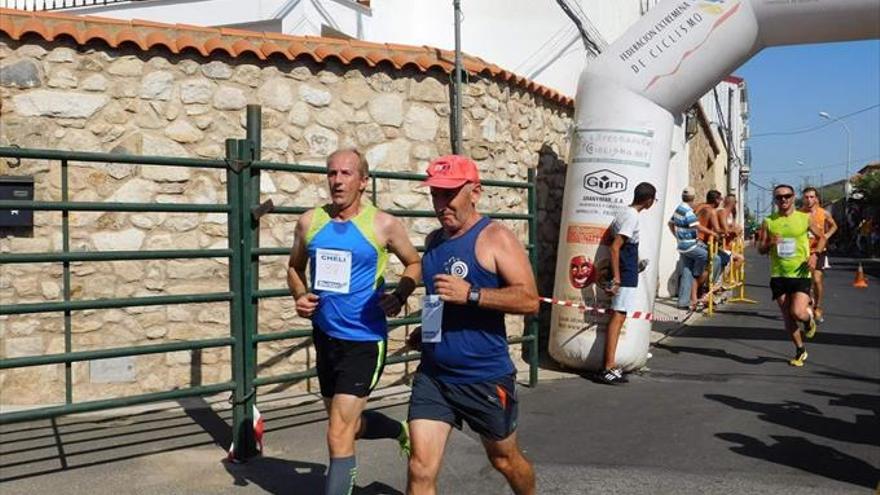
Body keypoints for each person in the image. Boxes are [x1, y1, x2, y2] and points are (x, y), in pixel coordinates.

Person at [287, 148, 422, 495]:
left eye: (346, 174)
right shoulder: (310, 222)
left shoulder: (383, 224)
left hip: (364, 340)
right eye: (332, 173)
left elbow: (414, 264)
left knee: (336, 433)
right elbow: (294, 267)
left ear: (363, 182)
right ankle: (397, 430)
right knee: (348, 425)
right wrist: (300, 295)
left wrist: (400, 295)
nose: (337, 181)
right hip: (326, 336)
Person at [405, 155, 538, 495]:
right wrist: (428, 331)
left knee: (504, 459)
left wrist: (473, 295)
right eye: (435, 194)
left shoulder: (495, 237)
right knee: (420, 469)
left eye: (450, 194)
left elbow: (529, 301)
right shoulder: (434, 241)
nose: (441, 203)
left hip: (483, 376)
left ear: (475, 192)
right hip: (434, 376)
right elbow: (437, 296)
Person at [758, 184, 825, 366]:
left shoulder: (804, 218)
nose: (783, 200)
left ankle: (809, 319)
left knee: (797, 312)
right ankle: (800, 350)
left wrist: (814, 255)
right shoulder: (769, 221)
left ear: (793, 197)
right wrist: (770, 243)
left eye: (787, 196)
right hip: (779, 275)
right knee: (787, 316)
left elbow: (822, 237)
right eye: (779, 197)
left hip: (801, 273)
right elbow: (760, 249)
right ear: (775, 200)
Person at [602, 182, 657, 384]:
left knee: (620, 315)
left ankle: (610, 365)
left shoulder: (624, 213)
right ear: (649, 200)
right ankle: (608, 366)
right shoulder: (632, 216)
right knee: (618, 317)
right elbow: (616, 247)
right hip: (625, 273)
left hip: (628, 268)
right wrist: (617, 277)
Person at [668, 186, 715, 310]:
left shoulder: (679, 209)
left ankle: (683, 302)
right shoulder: (688, 211)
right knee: (705, 255)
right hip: (690, 245)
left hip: (682, 246)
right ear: (693, 197)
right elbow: (698, 227)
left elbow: (670, 223)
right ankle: (697, 274)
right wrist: (712, 233)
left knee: (686, 273)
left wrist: (677, 236)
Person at [799, 187, 837, 323]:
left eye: (811, 197)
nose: (809, 200)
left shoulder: (824, 213)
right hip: (803, 251)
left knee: (816, 280)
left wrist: (826, 236)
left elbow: (834, 226)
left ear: (816, 198)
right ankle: (807, 304)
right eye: (806, 197)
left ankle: (818, 307)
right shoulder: (799, 213)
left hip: (819, 250)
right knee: (806, 281)